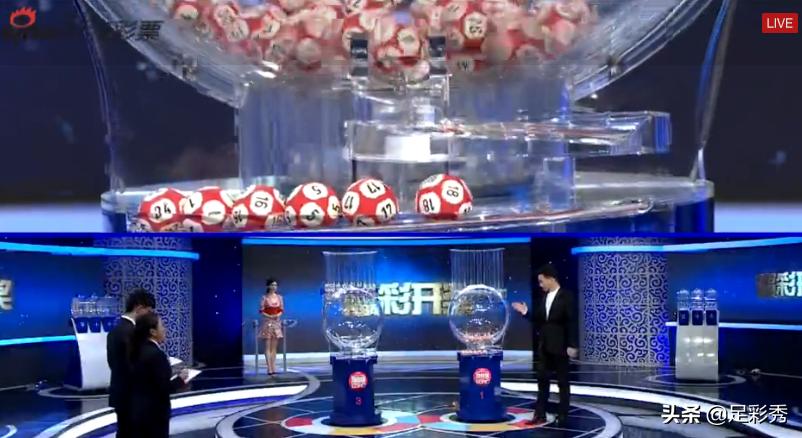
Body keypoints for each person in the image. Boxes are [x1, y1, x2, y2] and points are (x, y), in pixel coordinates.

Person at [512, 264, 578, 427]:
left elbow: (572, 322)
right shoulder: (544, 297)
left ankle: (563, 415)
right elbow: (539, 319)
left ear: (551, 279)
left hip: (561, 346)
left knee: (562, 382)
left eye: (542, 281)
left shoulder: (566, 296)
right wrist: (525, 312)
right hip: (545, 346)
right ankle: (539, 414)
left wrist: (572, 344)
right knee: (542, 381)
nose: (540, 285)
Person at [130, 312, 188, 438]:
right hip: (154, 413)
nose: (165, 329)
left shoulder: (137, 350)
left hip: (138, 410)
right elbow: (164, 387)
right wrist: (181, 378)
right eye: (162, 326)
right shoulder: (156, 354)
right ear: (153, 332)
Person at [106, 289, 156, 438]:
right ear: (139, 308)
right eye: (149, 311)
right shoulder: (132, 332)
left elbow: (112, 362)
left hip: (121, 393)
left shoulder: (116, 330)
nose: (150, 316)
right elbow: (136, 366)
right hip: (133, 396)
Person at [258, 278, 284, 376]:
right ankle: (269, 368)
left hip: (276, 322)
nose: (274, 287)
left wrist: (277, 315)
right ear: (268, 286)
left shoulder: (279, 297)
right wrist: (270, 316)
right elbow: (261, 311)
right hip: (267, 322)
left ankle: (273, 367)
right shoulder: (264, 297)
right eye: (272, 285)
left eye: (275, 285)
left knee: (274, 347)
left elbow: (281, 309)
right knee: (267, 346)